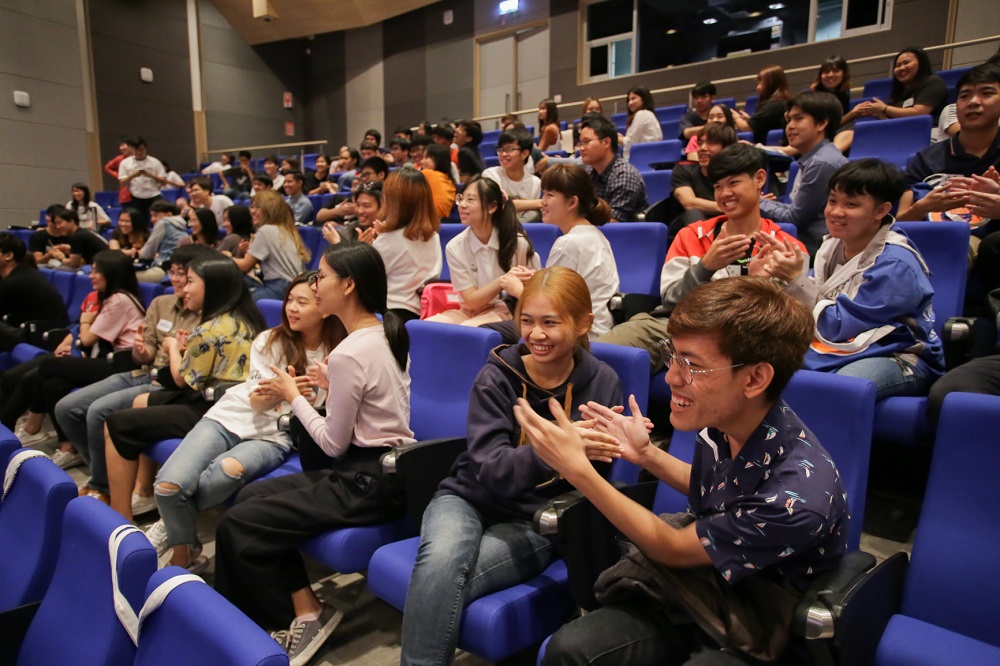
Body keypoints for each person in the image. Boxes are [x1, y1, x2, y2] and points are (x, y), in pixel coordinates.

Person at [517, 276, 848, 666]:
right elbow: (721, 491)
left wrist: (579, 472)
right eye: (672, 355)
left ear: (755, 379)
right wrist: (647, 456)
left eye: (692, 365)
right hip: (704, 590)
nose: (672, 376)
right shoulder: (727, 422)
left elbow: (673, 549)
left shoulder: (797, 498)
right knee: (571, 648)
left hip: (764, 623)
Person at [401, 266, 623, 666]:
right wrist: (557, 449)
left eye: (550, 322)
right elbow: (491, 468)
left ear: (583, 323)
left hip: (537, 519)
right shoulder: (496, 376)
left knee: (442, 582)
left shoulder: (602, 382)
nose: (536, 334)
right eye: (527, 321)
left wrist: (577, 451)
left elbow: (595, 473)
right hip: (467, 498)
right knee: (439, 565)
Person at [213, 243, 414, 665]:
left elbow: (331, 444)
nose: (315, 284)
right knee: (250, 496)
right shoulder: (384, 334)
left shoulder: (349, 351)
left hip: (367, 482)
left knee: (238, 522)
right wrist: (329, 383)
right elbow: (378, 403)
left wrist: (293, 395)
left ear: (349, 284)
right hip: (385, 472)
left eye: (321, 277)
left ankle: (270, 626)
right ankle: (307, 608)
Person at [148, 273, 346, 572]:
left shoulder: (338, 351)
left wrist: (299, 395)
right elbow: (256, 402)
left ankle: (176, 542)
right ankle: (184, 539)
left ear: (323, 308)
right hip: (230, 416)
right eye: (289, 300)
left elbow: (329, 411)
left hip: (274, 435)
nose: (292, 308)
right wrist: (284, 391)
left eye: (302, 302)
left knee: (228, 471)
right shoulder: (269, 340)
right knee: (167, 487)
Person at [596, 144, 804, 372]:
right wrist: (706, 266)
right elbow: (671, 300)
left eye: (733, 183)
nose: (725, 194)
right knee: (599, 353)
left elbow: (796, 322)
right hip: (681, 326)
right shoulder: (691, 235)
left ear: (760, 179)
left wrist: (765, 284)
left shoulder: (786, 248)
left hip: (747, 337)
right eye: (718, 186)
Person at [757, 159, 944, 400]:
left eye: (851, 204)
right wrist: (772, 277)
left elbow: (838, 327)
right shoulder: (831, 245)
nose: (836, 212)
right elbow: (812, 307)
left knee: (839, 387)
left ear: (881, 211)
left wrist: (795, 279)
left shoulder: (895, 264)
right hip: (837, 346)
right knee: (758, 362)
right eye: (833, 201)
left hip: (898, 355)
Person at [104, 256, 265, 521]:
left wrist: (171, 348)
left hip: (217, 409)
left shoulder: (210, 329)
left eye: (190, 282)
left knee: (114, 424)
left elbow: (181, 379)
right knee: (141, 401)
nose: (184, 289)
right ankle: (143, 491)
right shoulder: (247, 320)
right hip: (234, 403)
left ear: (211, 287)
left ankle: (119, 518)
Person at [55, 244, 212, 507]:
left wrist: (177, 350)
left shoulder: (209, 316)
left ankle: (103, 487)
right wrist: (141, 350)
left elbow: (188, 374)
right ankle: (106, 473)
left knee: (98, 411)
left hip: (167, 385)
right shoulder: (161, 303)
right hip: (141, 372)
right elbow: (145, 352)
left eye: (183, 275)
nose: (175, 279)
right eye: (172, 272)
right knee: (66, 408)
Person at [2, 250, 144, 466]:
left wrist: (86, 320)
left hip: (121, 366)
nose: (91, 276)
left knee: (48, 364)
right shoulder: (110, 298)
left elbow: (86, 338)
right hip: (106, 359)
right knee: (52, 385)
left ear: (111, 273)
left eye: (96, 271)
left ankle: (10, 426)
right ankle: (68, 447)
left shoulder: (119, 300)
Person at [499, 165, 620, 339]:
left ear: (572, 202)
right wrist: (535, 280)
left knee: (489, 330)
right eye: (543, 194)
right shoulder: (594, 234)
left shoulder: (568, 243)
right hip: (598, 328)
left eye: (550, 195)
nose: (542, 202)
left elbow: (548, 305)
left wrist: (517, 289)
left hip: (580, 336)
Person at [427, 176, 538, 326]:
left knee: (469, 329)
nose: (462, 205)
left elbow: (534, 290)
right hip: (468, 310)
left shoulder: (517, 243)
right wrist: (502, 280)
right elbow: (471, 301)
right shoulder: (455, 246)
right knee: (426, 327)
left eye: (470, 199)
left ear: (492, 207)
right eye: (461, 198)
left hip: (506, 310)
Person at [896, 63, 1000, 221]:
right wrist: (923, 208)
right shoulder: (925, 159)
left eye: (986, 93)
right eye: (964, 96)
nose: (973, 102)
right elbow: (901, 220)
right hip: (936, 232)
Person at [759, 91, 849, 254]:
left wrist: (754, 200)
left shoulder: (822, 163)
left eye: (798, 119)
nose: (790, 126)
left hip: (818, 249)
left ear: (821, 123)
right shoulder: (815, 158)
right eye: (789, 120)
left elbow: (794, 218)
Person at [364, 167, 442, 321]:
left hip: (390, 314)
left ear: (394, 201)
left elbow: (367, 282)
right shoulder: (433, 236)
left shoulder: (388, 239)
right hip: (422, 312)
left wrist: (362, 249)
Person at [837, 47, 948, 152]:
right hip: (900, 132)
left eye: (906, 62)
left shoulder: (933, 82)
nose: (901, 68)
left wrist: (884, 108)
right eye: (898, 65)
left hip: (925, 134)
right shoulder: (900, 91)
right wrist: (878, 114)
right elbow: (892, 123)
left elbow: (920, 112)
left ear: (921, 63)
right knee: (860, 126)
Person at [234, 190, 309, 302]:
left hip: (279, 287)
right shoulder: (285, 230)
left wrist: (223, 258)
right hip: (292, 286)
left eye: (257, 207)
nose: (252, 211)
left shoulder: (265, 230)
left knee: (241, 301)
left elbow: (245, 266)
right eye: (252, 207)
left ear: (269, 210)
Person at [0, 232, 68, 352]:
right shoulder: (24, 273)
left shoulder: (14, 281)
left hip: (39, 337)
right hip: (31, 330)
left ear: (8, 255)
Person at [667, 122, 739, 233]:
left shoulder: (737, 175)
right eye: (700, 143)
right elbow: (689, 203)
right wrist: (728, 206)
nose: (702, 148)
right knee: (695, 213)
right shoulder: (683, 169)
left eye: (711, 143)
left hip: (723, 227)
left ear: (727, 149)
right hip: (687, 228)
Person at [579, 115, 648, 222]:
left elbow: (613, 223)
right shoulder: (587, 172)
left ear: (606, 142)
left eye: (587, 141)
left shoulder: (625, 175)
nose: (581, 148)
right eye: (580, 143)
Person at [483, 130, 543, 223]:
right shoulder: (491, 174)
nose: (503, 154)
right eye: (500, 150)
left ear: (524, 154)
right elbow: (498, 205)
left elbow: (530, 213)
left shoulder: (535, 182)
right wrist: (540, 202)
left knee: (535, 214)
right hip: (497, 225)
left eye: (509, 149)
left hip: (524, 227)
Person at [734, 65, 793, 144]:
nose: (757, 88)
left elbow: (746, 128)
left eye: (760, 83)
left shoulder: (775, 105)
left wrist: (735, 117)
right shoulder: (779, 103)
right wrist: (750, 119)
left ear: (771, 84)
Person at [136, 200, 189, 283]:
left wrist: (138, 253)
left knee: (125, 276)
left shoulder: (164, 223)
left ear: (169, 215)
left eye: (155, 215)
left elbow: (147, 253)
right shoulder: (181, 225)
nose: (152, 219)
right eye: (151, 216)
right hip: (174, 269)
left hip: (163, 269)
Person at [118, 136, 168, 223]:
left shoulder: (155, 162)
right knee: (138, 221)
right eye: (136, 150)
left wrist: (150, 175)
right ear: (133, 150)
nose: (139, 152)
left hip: (153, 195)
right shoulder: (125, 163)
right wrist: (134, 175)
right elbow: (122, 183)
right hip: (135, 196)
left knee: (159, 219)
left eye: (141, 150)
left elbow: (164, 181)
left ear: (146, 149)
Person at [321, 182, 382, 246]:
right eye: (357, 205)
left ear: (383, 207)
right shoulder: (348, 232)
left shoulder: (388, 235)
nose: (360, 211)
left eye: (366, 206)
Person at [621, 86, 663, 160]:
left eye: (633, 98)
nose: (630, 102)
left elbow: (630, 142)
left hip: (644, 158)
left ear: (644, 99)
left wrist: (618, 139)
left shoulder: (642, 114)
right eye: (629, 100)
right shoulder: (648, 114)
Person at [417, 144, 458, 220]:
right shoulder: (450, 181)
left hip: (428, 220)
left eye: (426, 157)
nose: (422, 161)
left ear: (438, 159)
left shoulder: (427, 173)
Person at [104, 138, 135, 204]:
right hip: (126, 191)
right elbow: (107, 167)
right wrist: (119, 176)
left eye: (123, 145)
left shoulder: (140, 158)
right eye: (120, 146)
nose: (121, 148)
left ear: (131, 146)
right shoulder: (119, 159)